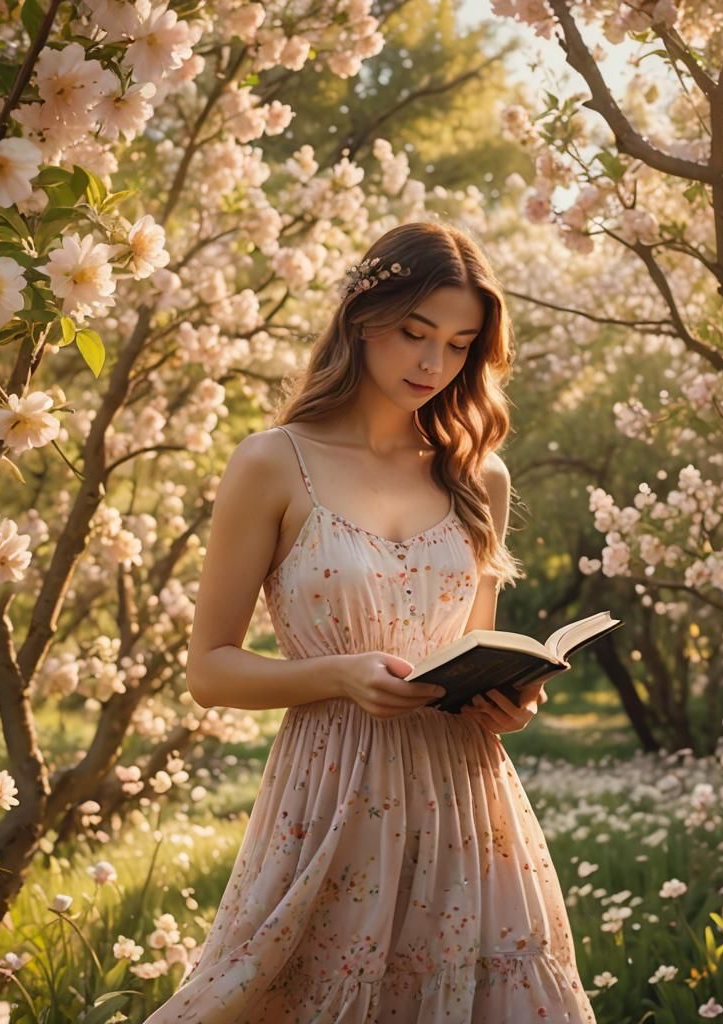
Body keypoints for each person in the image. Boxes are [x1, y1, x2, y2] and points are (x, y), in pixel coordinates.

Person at [142, 221, 596, 1023]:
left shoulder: (477, 476)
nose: (432, 363)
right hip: (332, 793)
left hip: (467, 805)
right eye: (414, 333)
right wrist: (337, 677)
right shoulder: (273, 462)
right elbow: (208, 670)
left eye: (458, 346)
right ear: (360, 318)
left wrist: (515, 704)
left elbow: (477, 645)